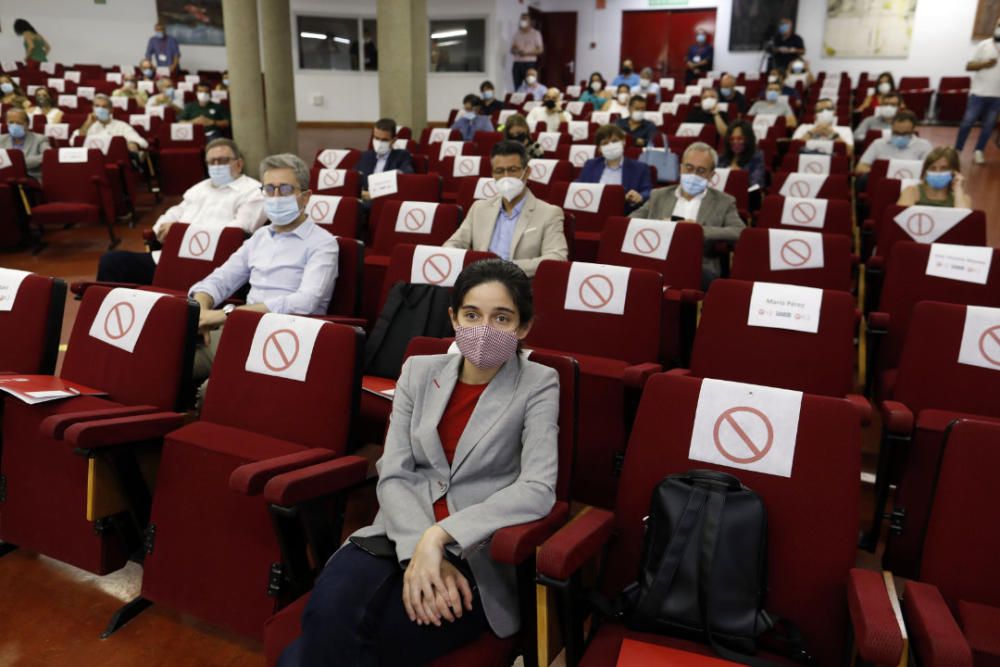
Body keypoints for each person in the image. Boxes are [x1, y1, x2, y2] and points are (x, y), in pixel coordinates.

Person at [283, 258, 558, 667]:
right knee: (325, 614)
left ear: (523, 328)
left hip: (472, 552)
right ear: (453, 318)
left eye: (501, 318)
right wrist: (416, 550)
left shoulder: (539, 382)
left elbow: (537, 489)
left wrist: (439, 537)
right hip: (395, 532)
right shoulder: (418, 370)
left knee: (352, 643)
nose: (484, 329)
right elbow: (393, 470)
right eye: (471, 314)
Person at [190, 153, 338, 385]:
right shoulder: (260, 236)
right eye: (269, 189)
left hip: (286, 338)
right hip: (240, 330)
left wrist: (225, 315)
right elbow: (220, 279)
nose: (276, 196)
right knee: (166, 361)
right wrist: (201, 311)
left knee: (216, 389)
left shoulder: (323, 243)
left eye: (285, 189)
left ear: (305, 197)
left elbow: (305, 302)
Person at [96, 139, 267, 285]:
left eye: (222, 161)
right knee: (112, 261)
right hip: (171, 257)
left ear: (239, 163)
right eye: (211, 162)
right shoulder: (201, 188)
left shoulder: (253, 191)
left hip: (212, 263)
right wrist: (162, 228)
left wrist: (180, 233)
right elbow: (175, 212)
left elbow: (238, 231)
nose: (216, 166)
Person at [444, 141, 567, 277]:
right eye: (500, 171)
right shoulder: (479, 208)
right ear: (493, 174)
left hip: (519, 287)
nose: (506, 177)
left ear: (527, 172)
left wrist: (506, 268)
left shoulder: (549, 213)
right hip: (478, 282)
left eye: (513, 170)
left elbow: (557, 258)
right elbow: (453, 244)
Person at [630, 142, 744, 286]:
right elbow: (630, 221)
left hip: (698, 265)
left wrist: (696, 230)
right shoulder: (659, 195)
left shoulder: (724, 202)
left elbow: (740, 232)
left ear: (711, 175)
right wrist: (660, 227)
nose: (693, 175)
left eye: (701, 170)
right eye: (689, 168)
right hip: (656, 258)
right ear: (681, 167)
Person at [577, 124, 651, 212]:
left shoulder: (640, 168)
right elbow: (579, 186)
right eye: (605, 143)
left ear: (623, 142)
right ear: (599, 149)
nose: (610, 145)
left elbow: (648, 191)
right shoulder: (590, 165)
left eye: (615, 141)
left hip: (624, 213)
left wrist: (640, 196)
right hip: (593, 212)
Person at [956, 17, 1000, 165]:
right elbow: (969, 66)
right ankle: (957, 150)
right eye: (999, 24)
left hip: (997, 96)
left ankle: (979, 151)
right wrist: (984, 64)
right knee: (967, 123)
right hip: (978, 93)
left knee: (988, 126)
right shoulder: (985, 45)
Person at [856, 110, 932, 175]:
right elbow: (860, 167)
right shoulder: (878, 143)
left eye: (905, 134)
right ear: (891, 127)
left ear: (913, 130)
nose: (900, 137)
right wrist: (882, 173)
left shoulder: (924, 146)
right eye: (896, 133)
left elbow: (929, 172)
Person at [356, 118, 415, 196]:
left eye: (384, 140)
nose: (379, 143)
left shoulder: (401, 156)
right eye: (376, 138)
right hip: (365, 200)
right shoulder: (365, 156)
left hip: (387, 200)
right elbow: (354, 178)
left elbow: (408, 174)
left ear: (393, 140)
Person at [897, 146, 972, 208]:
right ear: (925, 171)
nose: (937, 172)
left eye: (944, 169)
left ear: (954, 172)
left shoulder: (963, 198)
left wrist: (958, 189)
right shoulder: (911, 191)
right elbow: (902, 219)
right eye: (932, 168)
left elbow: (963, 223)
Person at [77, 94, 148, 153]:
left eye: (104, 107)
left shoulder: (121, 125)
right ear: (93, 108)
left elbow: (143, 142)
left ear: (111, 110)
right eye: (97, 106)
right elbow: (74, 141)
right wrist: (87, 124)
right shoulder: (87, 125)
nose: (100, 109)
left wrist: (132, 144)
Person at [0, 108, 49, 182]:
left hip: (30, 179)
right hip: (5, 178)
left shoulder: (40, 139)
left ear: (27, 124)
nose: (14, 125)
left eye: (19, 123)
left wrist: (20, 163)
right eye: (11, 122)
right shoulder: (1, 139)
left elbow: (47, 156)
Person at [717, 120, 766, 189]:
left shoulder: (756, 158)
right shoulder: (722, 158)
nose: (735, 142)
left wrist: (740, 176)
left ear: (748, 139)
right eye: (732, 139)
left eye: (740, 138)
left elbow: (756, 185)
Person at [510, 12, 544, 90]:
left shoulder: (536, 33)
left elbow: (540, 50)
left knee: (531, 86)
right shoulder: (517, 34)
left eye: (525, 19)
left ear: (530, 21)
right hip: (517, 63)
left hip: (529, 64)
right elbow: (512, 49)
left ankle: (530, 100)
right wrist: (517, 52)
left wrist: (527, 53)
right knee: (517, 87)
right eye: (522, 19)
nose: (523, 21)